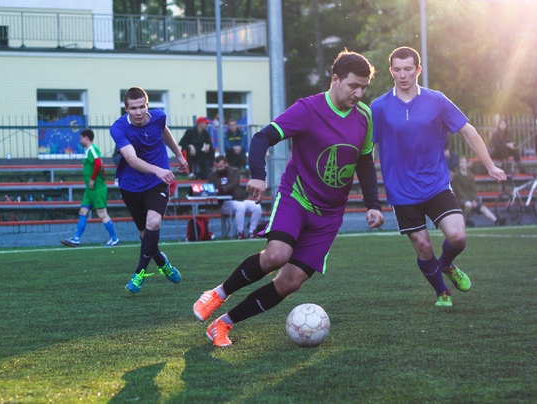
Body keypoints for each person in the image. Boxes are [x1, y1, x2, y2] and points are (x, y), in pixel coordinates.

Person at [193, 50, 384, 347]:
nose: (359, 94)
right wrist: (258, 174)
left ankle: (223, 324)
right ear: (335, 79)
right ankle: (218, 294)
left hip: (329, 215)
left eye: (364, 87)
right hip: (296, 197)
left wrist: (373, 204)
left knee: (290, 282)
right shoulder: (307, 109)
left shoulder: (364, 116)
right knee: (276, 255)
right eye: (353, 86)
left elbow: (364, 162)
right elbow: (262, 138)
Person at [371, 46, 506, 307]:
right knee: (423, 246)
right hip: (401, 191)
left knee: (458, 237)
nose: (403, 75)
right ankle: (442, 292)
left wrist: (490, 165)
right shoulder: (379, 107)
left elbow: (468, 131)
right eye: (397, 70)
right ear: (391, 72)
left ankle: (446, 264)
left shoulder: (437, 100)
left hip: (436, 185)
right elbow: (367, 149)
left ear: (418, 70)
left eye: (408, 69)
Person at [110, 86, 188, 295]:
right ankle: (162, 262)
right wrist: (158, 170)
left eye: (141, 107)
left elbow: (164, 132)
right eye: (133, 108)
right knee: (145, 234)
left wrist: (179, 155)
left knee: (153, 222)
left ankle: (139, 274)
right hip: (131, 185)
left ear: (147, 105)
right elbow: (131, 159)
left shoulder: (159, 116)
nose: (138, 112)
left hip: (156, 182)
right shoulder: (118, 128)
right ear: (126, 109)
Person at [60, 129, 119, 247]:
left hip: (97, 188)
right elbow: (100, 165)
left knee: (102, 214)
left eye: (81, 138)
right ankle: (76, 239)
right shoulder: (88, 150)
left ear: (86, 138)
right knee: (83, 211)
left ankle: (114, 238)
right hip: (90, 189)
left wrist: (92, 179)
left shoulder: (92, 148)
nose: (80, 140)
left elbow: (98, 163)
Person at [208, 155, 262, 239]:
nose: (219, 169)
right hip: (224, 202)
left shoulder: (234, 171)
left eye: (221, 166)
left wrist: (222, 189)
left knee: (257, 206)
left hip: (238, 198)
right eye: (217, 167)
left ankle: (252, 231)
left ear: (226, 164)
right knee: (240, 206)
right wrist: (221, 190)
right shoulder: (213, 175)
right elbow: (211, 188)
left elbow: (234, 184)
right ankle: (240, 232)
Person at [451, 156, 503, 227]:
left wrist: (474, 200)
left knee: (482, 208)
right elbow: (458, 191)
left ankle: (496, 221)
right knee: (468, 204)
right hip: (461, 198)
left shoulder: (471, 175)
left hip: (471, 198)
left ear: (467, 164)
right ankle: (467, 220)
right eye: (461, 162)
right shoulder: (456, 176)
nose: (462, 164)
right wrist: (470, 200)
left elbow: (473, 189)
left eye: (464, 162)